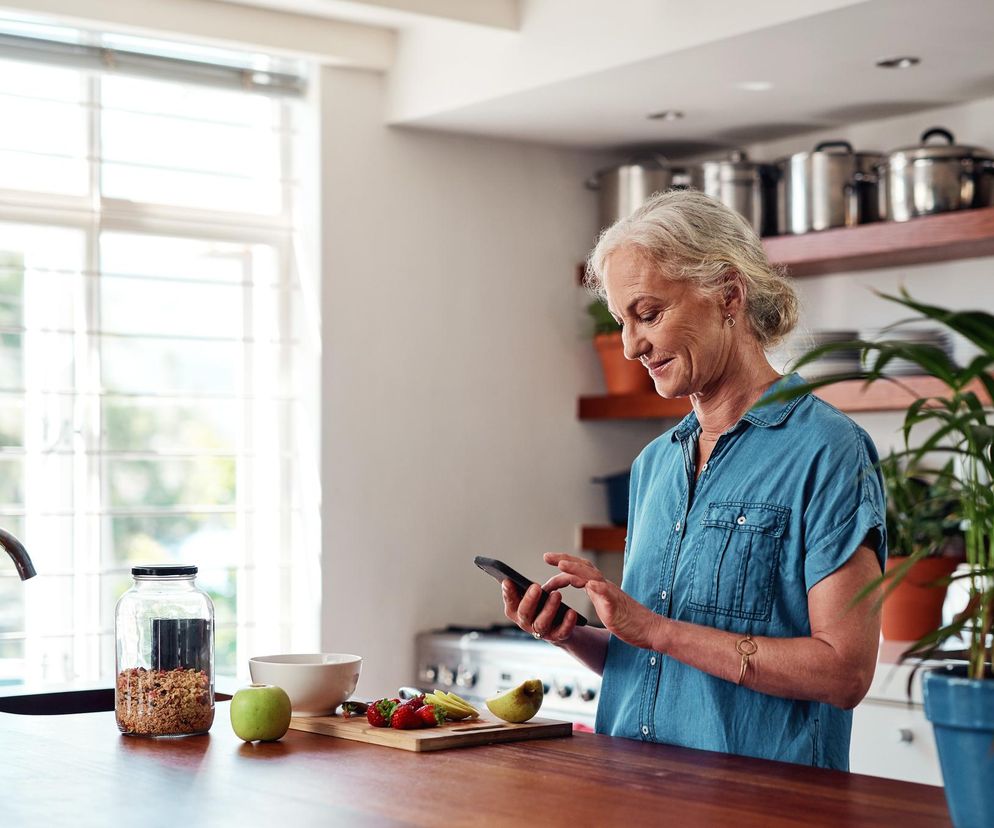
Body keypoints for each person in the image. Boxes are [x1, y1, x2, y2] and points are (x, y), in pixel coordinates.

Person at [500, 189, 887, 771]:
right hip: (632, 792)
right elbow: (660, 665)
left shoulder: (828, 451)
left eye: (649, 314)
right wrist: (572, 633)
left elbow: (843, 672)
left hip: (761, 808)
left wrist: (655, 630)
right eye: (622, 322)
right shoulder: (655, 463)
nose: (631, 346)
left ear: (728, 294)